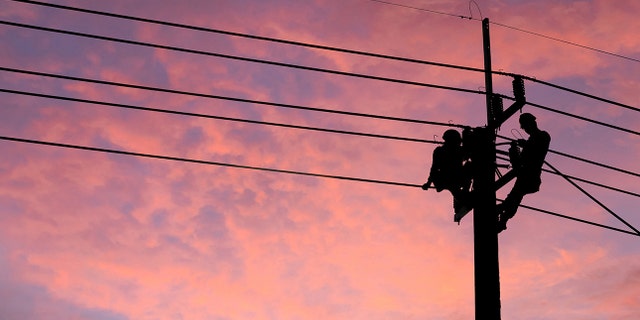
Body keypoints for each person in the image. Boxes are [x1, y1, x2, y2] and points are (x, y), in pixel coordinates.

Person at [497, 113, 551, 232]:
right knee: (515, 197)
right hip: (525, 175)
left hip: (531, 176)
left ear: (532, 123)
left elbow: (537, 150)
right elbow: (519, 163)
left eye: (525, 126)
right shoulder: (531, 141)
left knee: (514, 197)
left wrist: (525, 145)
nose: (525, 129)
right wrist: (513, 152)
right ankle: (503, 219)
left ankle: (502, 214)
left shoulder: (543, 135)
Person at [422, 129, 472, 222]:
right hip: (446, 179)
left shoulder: (459, 150)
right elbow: (434, 168)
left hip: (456, 178)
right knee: (455, 188)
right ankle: (461, 200)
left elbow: (469, 153)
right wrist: (428, 183)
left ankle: (463, 197)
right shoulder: (440, 151)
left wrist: (467, 135)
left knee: (469, 167)